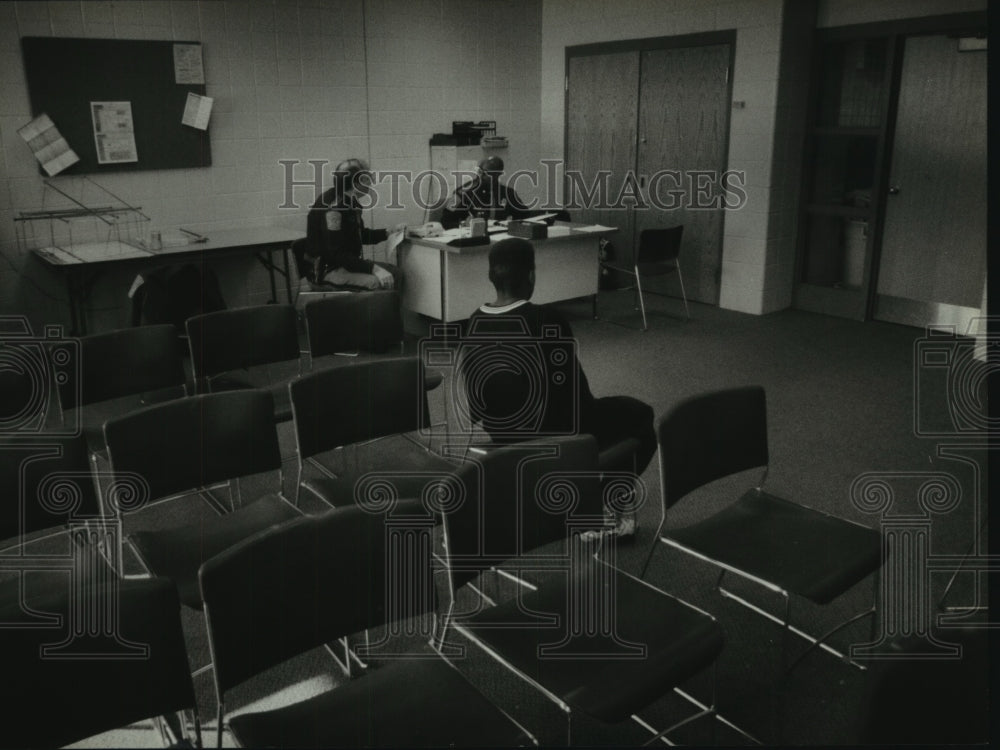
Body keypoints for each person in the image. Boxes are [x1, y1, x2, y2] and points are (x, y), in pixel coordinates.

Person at [461, 238, 656, 539]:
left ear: (492, 277)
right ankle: (594, 506)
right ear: (530, 276)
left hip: (503, 436)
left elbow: (476, 405)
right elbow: (577, 401)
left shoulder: (473, 323)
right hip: (554, 436)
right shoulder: (546, 321)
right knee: (642, 417)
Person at [305, 158, 403, 290]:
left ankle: (389, 310)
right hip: (328, 269)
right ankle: (376, 310)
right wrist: (374, 269)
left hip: (345, 264)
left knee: (397, 273)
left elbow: (359, 234)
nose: (370, 183)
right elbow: (336, 255)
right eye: (367, 178)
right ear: (356, 183)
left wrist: (388, 232)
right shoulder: (334, 210)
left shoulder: (350, 201)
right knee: (377, 282)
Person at [440, 156, 530, 229]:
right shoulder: (461, 192)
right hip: (473, 239)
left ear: (498, 174)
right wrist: (463, 224)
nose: (481, 176)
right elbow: (445, 221)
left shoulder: (508, 193)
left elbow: (525, 215)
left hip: (500, 237)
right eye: (480, 172)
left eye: (487, 173)